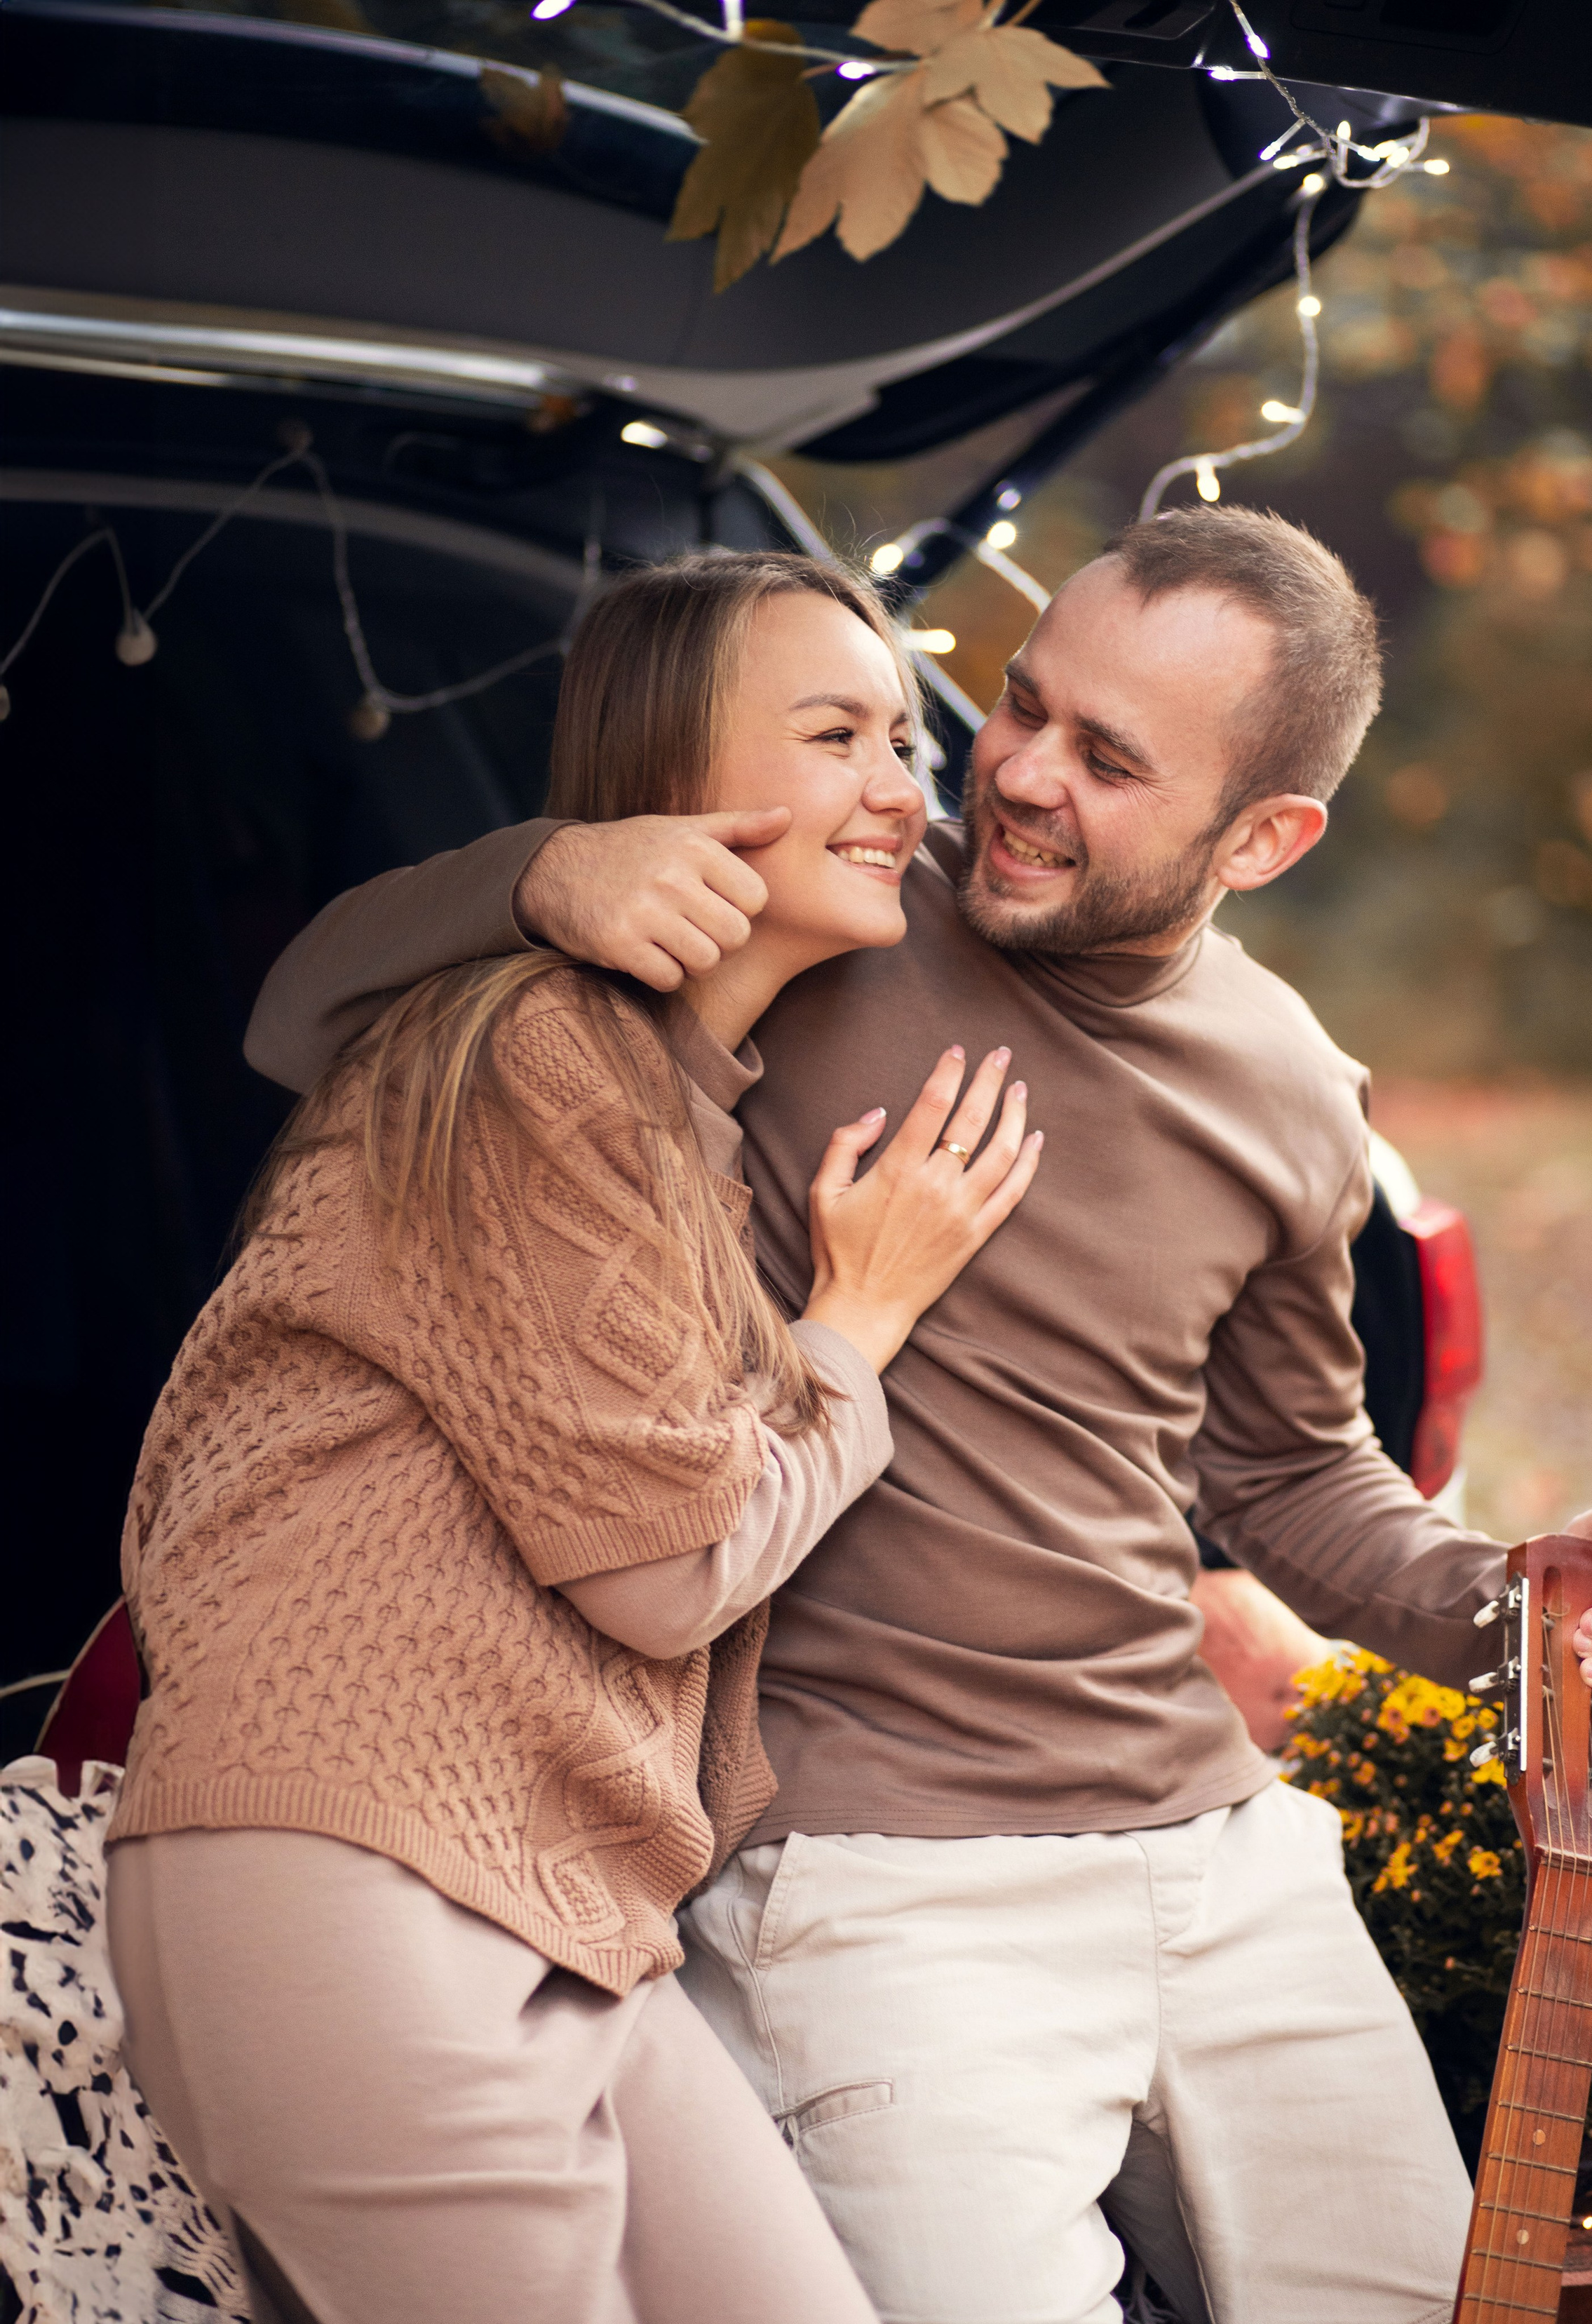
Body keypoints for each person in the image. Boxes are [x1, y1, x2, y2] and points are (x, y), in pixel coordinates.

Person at [246, 508, 1592, 2324]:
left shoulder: (1289, 1086)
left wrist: (1520, 1611)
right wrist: (541, 872)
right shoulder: (816, 912)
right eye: (1019, 703)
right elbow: (313, 1016)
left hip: (1226, 1859)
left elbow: (1291, 1475)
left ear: (1263, 837)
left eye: (1106, 760)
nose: (1008, 773)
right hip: (871, 1886)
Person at [105, 551, 1044, 2324]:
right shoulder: (536, 1045)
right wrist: (862, 1317)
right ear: (669, 780)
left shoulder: (679, 1107)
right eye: (833, 731)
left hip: (567, 1912)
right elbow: (662, 1564)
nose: (896, 783)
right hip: (357, 1870)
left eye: (902, 733)